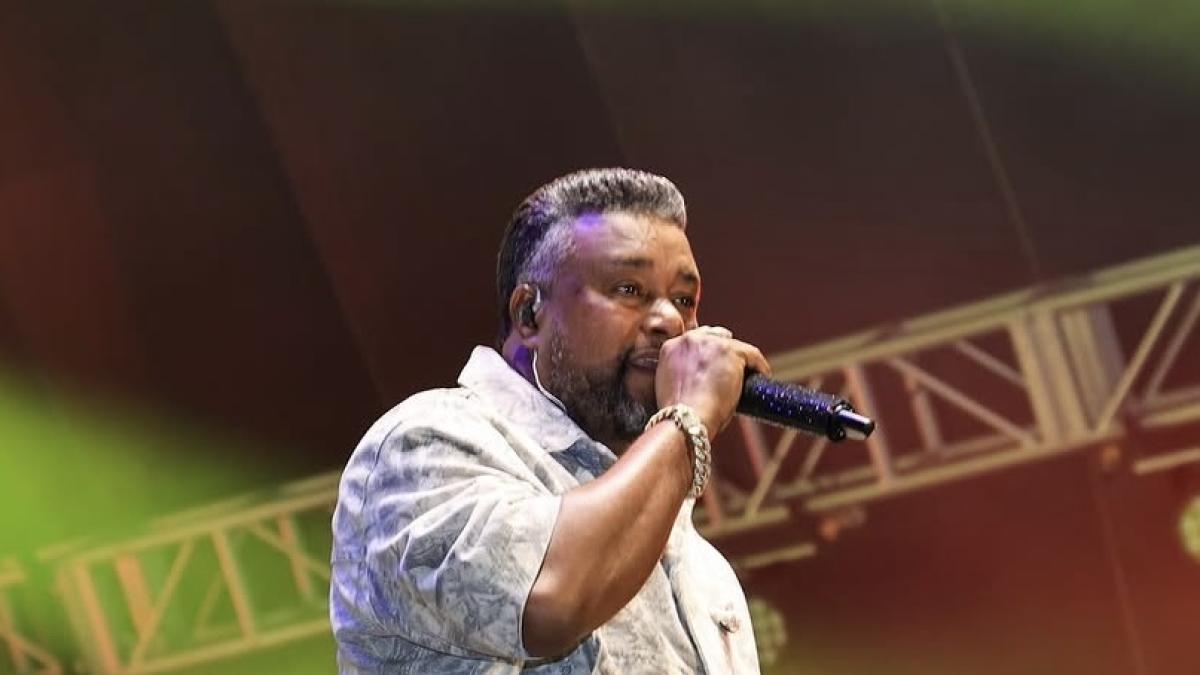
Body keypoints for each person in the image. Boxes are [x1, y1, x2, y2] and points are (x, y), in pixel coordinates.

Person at [330, 168, 770, 673]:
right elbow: (551, 600)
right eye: (629, 289)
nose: (670, 321)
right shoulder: (424, 445)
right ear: (530, 314)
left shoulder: (703, 568)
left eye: (684, 300)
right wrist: (687, 420)